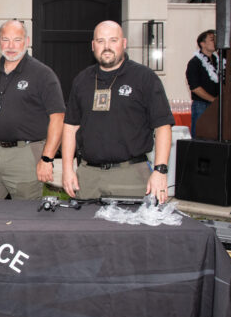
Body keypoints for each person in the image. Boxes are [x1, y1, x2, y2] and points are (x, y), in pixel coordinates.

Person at [62, 20, 173, 203]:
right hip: (88, 177)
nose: (106, 47)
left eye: (113, 40)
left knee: (131, 231)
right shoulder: (82, 80)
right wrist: (67, 169)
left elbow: (163, 126)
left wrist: (160, 171)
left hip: (131, 176)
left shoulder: (145, 78)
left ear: (124, 43)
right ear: (93, 45)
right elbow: (71, 126)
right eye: (100, 41)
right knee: (85, 230)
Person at [0, 19, 65, 200]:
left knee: (26, 214)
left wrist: (47, 159)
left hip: (26, 154)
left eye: (17, 40)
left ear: (26, 41)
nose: (11, 46)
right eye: (5, 39)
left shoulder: (43, 75)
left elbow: (58, 118)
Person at [186, 29, 219, 136]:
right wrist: (213, 100)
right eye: (212, 40)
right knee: (201, 136)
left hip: (217, 105)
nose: (215, 42)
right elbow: (195, 87)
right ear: (202, 44)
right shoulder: (194, 63)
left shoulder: (219, 61)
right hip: (202, 105)